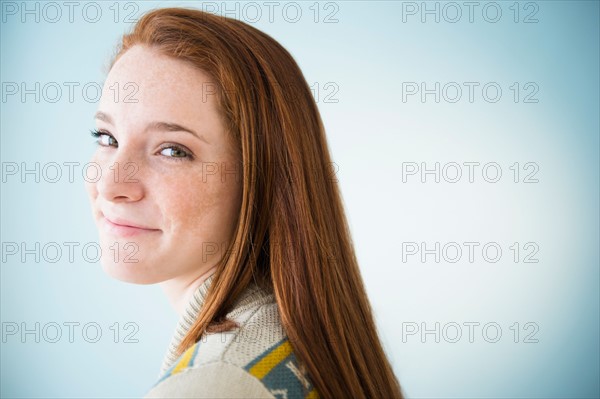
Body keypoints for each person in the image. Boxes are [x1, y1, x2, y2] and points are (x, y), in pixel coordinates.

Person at [85, 7, 405, 398]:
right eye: (107, 138)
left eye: (172, 151)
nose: (111, 183)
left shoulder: (214, 384)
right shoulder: (291, 344)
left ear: (262, 178)